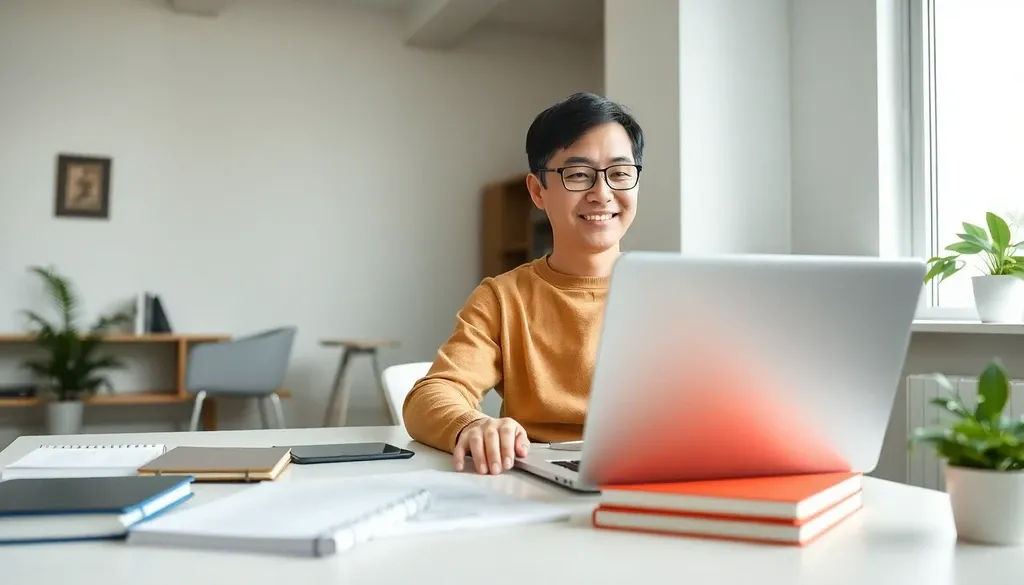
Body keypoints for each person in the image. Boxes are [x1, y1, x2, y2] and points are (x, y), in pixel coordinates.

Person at [403, 92, 645, 475]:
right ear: (537, 192)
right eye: (578, 174)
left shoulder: (674, 294)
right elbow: (429, 397)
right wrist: (473, 424)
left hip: (651, 475)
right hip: (536, 480)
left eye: (619, 173)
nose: (602, 193)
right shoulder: (502, 298)